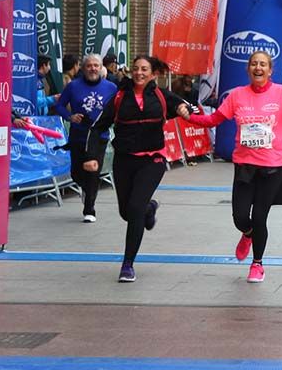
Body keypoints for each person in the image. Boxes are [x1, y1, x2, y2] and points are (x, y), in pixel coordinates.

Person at [184, 51, 282, 283]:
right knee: (240, 217)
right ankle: (247, 234)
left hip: (273, 166)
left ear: (270, 70)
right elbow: (213, 120)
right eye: (254, 64)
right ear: (248, 69)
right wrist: (188, 117)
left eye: (263, 64)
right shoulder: (237, 95)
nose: (258, 68)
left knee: (260, 217)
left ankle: (257, 264)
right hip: (245, 165)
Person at [85, 55, 189, 283]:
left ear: (153, 74)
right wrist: (91, 156)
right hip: (124, 160)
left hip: (152, 160)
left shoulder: (161, 96)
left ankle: (127, 265)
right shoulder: (120, 97)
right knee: (127, 212)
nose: (139, 73)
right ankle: (149, 209)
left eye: (144, 69)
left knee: (134, 209)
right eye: (136, 69)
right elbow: (97, 127)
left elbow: (185, 105)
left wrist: (183, 108)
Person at [55, 53, 118, 222]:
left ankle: (89, 209)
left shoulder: (111, 88)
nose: (93, 69)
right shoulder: (73, 86)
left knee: (93, 171)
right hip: (78, 134)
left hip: (99, 135)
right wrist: (70, 117)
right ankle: (86, 188)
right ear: (83, 68)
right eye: (89, 66)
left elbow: (118, 108)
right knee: (76, 173)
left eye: (96, 65)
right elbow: (59, 105)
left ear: (101, 68)